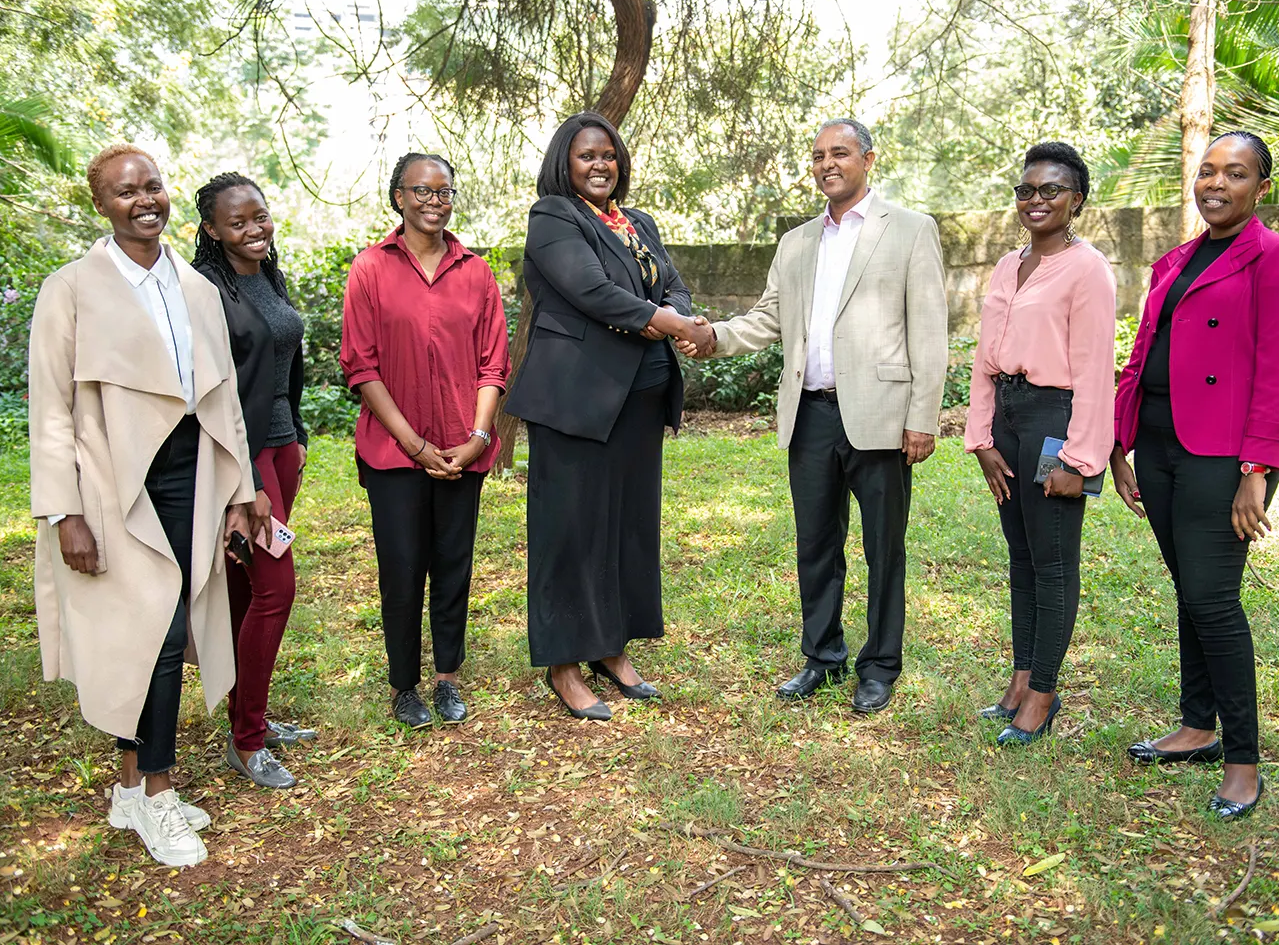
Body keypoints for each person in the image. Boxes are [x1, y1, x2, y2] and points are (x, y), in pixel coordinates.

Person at [29, 144, 260, 867]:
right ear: (101, 204)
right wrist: (64, 512)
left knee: (169, 627)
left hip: (193, 474)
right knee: (150, 635)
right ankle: (159, 794)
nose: (145, 200)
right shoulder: (69, 289)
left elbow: (225, 399)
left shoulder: (195, 288)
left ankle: (130, 789)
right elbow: (50, 409)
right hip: (112, 480)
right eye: (126, 191)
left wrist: (240, 493)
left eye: (153, 186)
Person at [679, 117, 948, 714]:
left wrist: (922, 417)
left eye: (841, 153)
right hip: (810, 416)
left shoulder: (910, 229)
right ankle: (823, 657)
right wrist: (713, 336)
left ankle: (880, 666)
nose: (828, 164)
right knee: (816, 545)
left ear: (868, 160)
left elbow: (930, 329)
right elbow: (768, 318)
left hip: (881, 416)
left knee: (884, 549)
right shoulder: (797, 242)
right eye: (819, 155)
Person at [1111, 131, 1279, 819]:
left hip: (1224, 455)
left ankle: (1242, 760)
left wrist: (1258, 469)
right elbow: (1142, 355)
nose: (1216, 184)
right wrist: (1120, 442)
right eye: (1207, 171)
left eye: (1235, 173)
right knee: (1191, 591)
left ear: (1262, 187)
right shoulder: (1176, 260)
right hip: (1161, 444)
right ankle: (1197, 726)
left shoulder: (1277, 258)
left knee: (1213, 599)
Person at [503, 111, 710, 720]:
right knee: (570, 531)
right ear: (565, 163)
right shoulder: (553, 217)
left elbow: (672, 283)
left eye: (608, 154)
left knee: (626, 527)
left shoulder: (637, 223)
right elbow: (591, 290)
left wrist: (676, 312)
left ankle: (610, 647)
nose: (600, 164)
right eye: (587, 155)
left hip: (639, 401)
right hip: (576, 402)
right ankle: (564, 665)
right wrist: (666, 321)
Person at [340, 152, 511, 729]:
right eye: (422, 191)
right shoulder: (370, 268)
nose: (435, 202)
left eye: (444, 192)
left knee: (453, 565)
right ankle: (403, 685)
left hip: (464, 450)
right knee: (403, 569)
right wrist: (414, 445)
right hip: (394, 453)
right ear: (399, 197)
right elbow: (361, 367)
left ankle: (447, 678)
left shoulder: (476, 273)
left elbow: (493, 365)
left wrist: (477, 437)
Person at [963, 142, 1117, 745]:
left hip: (1056, 417)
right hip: (1007, 417)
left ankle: (1043, 694)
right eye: (1026, 190)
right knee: (1021, 555)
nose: (1036, 200)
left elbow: (1096, 371)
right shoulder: (1008, 265)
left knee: (1052, 561)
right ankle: (1021, 677)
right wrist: (982, 437)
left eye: (1051, 190)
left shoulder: (1088, 269)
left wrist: (1079, 459)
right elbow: (984, 357)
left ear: (1076, 200)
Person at [193, 172, 316, 788]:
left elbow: (281, 367)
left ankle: (253, 718)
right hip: (244, 457)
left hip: (282, 447)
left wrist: (296, 438)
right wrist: (247, 482)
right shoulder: (205, 289)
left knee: (247, 589)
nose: (253, 229)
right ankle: (245, 742)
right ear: (212, 230)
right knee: (275, 589)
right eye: (237, 222)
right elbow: (214, 394)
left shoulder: (268, 274)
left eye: (259, 216)